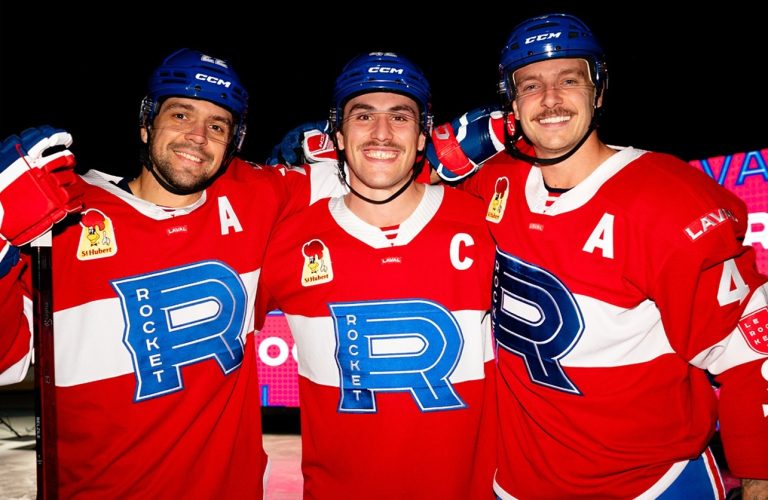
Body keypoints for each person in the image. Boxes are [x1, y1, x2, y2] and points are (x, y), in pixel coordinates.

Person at [438, 12, 768, 499]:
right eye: (530, 85)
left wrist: (759, 476)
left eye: (569, 80)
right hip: (517, 484)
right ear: (509, 103)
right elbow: (398, 183)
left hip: (651, 484)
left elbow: (748, 352)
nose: (550, 99)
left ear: (600, 89)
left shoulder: (668, 197)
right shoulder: (497, 180)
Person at [0, 48, 341, 497]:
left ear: (233, 141)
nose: (198, 136)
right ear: (146, 123)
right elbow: (6, 365)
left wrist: (448, 154)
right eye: (181, 114)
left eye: (217, 125)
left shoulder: (256, 195)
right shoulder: (63, 213)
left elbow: (377, 174)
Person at [255, 51, 498, 498]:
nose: (382, 133)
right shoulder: (286, 240)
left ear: (424, 136)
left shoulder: (486, 224)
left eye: (400, 116)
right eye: (363, 115)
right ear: (338, 135)